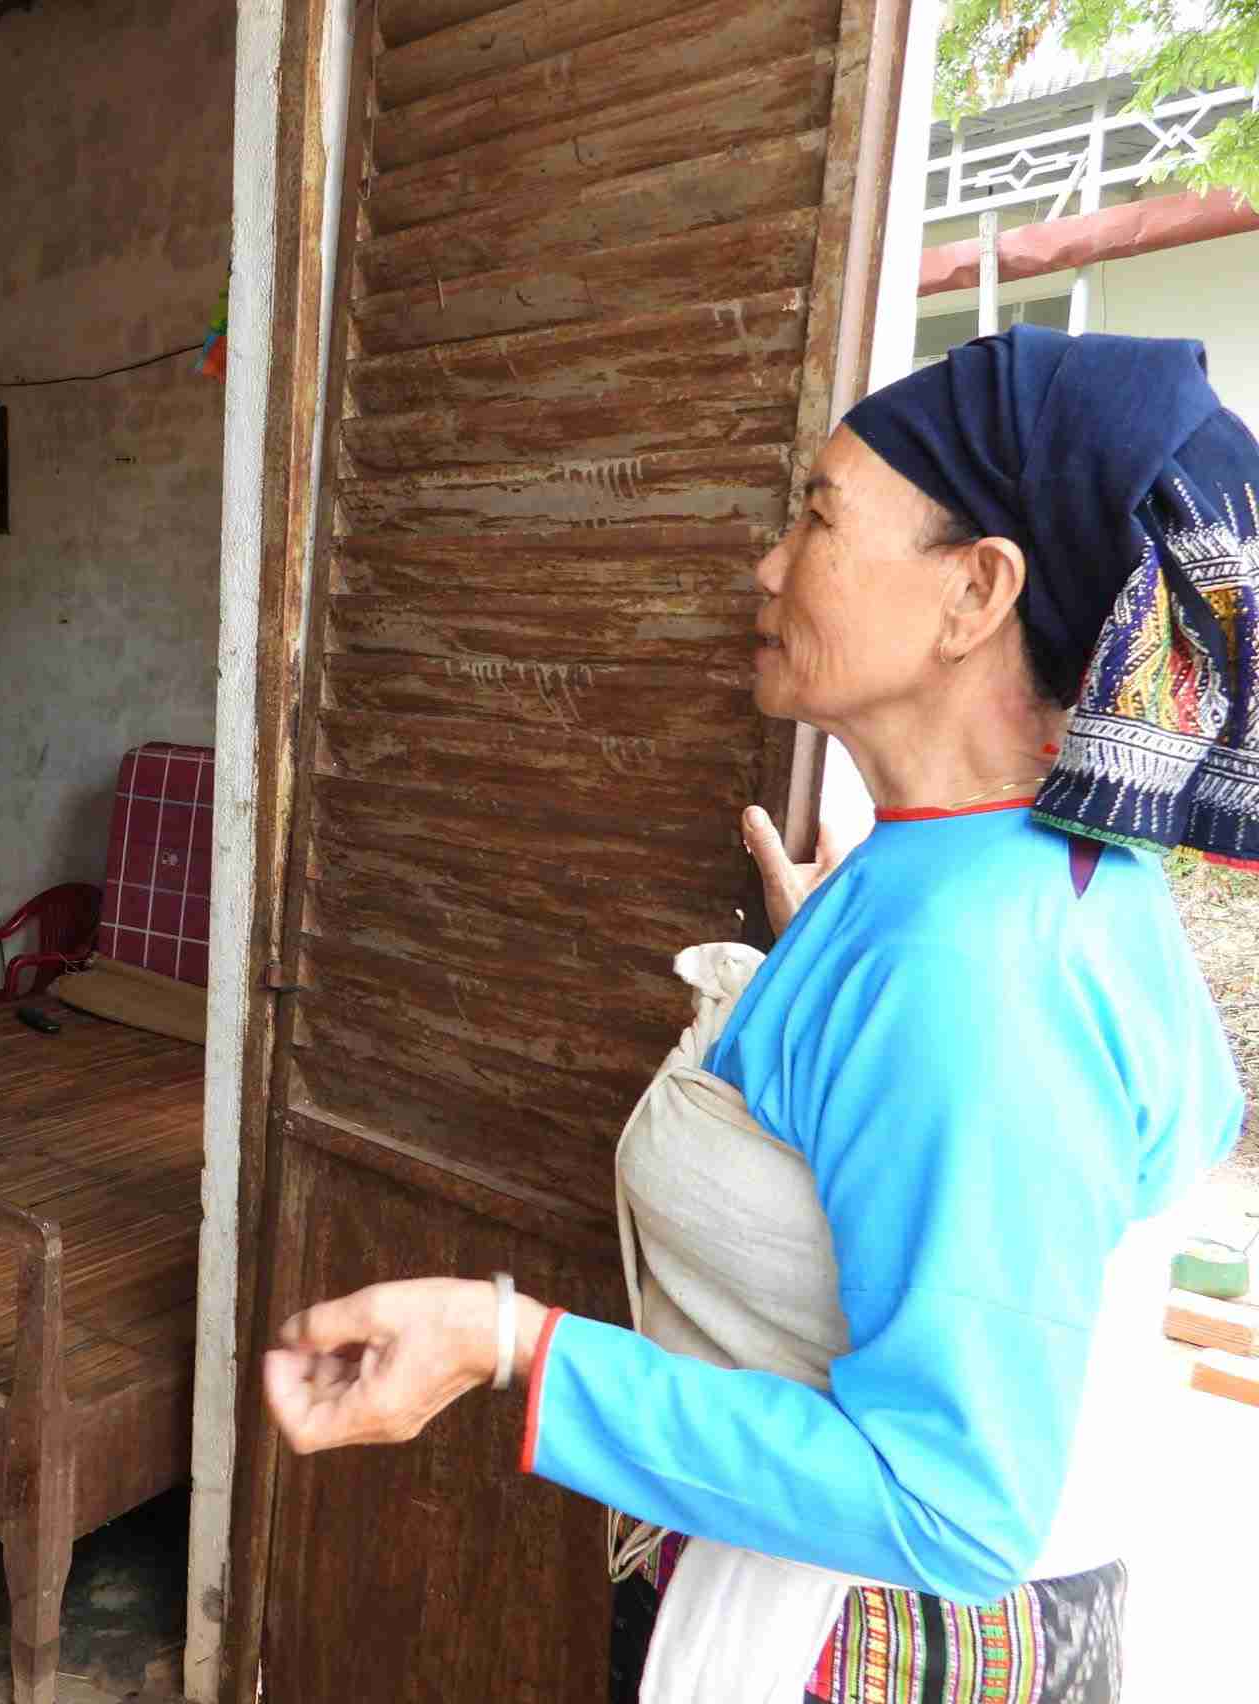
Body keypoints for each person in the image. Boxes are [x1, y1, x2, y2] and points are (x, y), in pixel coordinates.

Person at [263, 327, 1254, 1704]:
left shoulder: (973, 968)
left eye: (820, 515)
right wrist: (829, 964)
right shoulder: (1001, 870)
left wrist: (506, 1343)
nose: (769, 564)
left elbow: (950, 1503)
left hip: (866, 1653)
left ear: (975, 592)